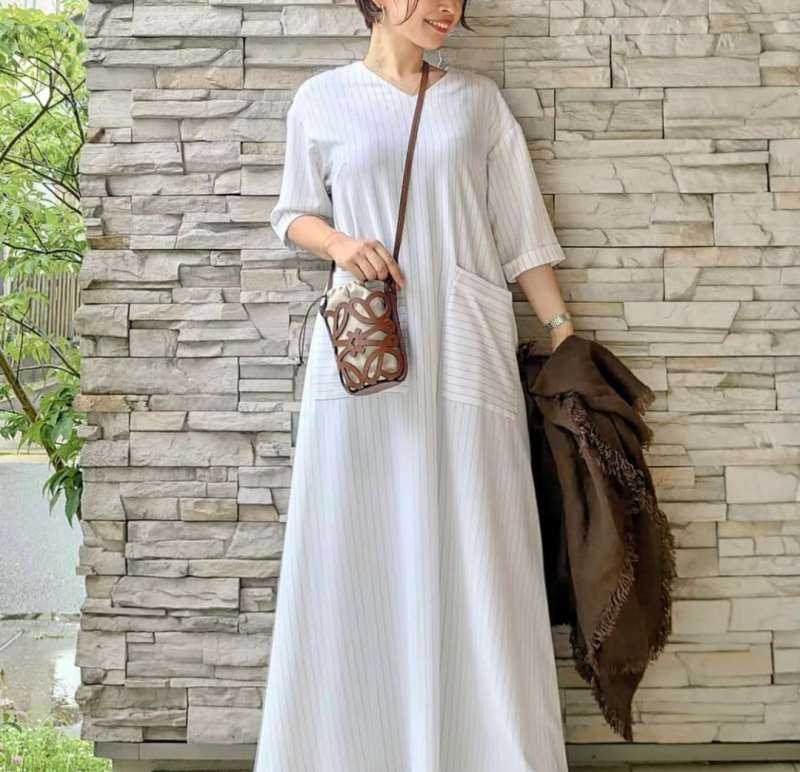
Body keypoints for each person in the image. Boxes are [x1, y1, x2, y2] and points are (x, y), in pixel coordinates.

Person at [253, 0, 575, 768]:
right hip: (366, 350)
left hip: (466, 345)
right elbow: (292, 212)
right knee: (355, 539)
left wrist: (563, 330)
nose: (444, 7)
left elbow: (521, 232)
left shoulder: (477, 104)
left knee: (482, 541)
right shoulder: (322, 98)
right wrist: (340, 244)